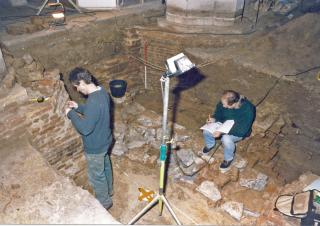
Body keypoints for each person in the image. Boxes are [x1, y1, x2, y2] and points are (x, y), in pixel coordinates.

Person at [65, 67, 113, 210]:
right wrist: (78, 106)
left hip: (95, 146)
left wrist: (70, 114)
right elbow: (95, 111)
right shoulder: (102, 92)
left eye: (77, 87)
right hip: (105, 141)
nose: (78, 90)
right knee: (105, 167)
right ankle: (109, 191)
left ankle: (105, 203)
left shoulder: (93, 101)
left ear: (81, 82)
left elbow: (85, 129)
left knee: (96, 176)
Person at [202, 90, 256, 171]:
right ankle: (210, 145)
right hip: (223, 124)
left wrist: (221, 132)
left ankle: (228, 159)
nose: (223, 106)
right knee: (206, 130)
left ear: (233, 104)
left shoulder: (248, 109)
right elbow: (218, 114)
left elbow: (242, 130)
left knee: (226, 139)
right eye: (222, 103)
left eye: (225, 104)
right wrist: (214, 119)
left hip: (238, 130)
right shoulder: (224, 101)